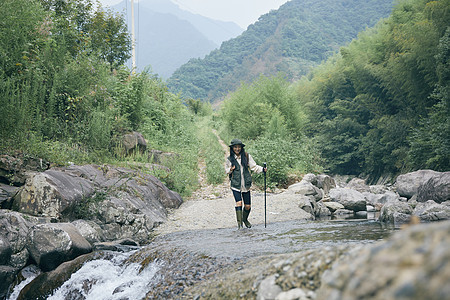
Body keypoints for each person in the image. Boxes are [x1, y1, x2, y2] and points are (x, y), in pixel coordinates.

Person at [225, 139, 266, 229]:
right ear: (232, 148)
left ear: (241, 148)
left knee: (247, 206)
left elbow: (254, 167)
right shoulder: (230, 159)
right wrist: (230, 169)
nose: (237, 149)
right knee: (239, 203)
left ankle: (245, 219)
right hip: (235, 185)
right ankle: (240, 225)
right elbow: (226, 170)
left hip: (246, 185)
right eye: (235, 147)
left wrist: (262, 169)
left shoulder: (247, 156)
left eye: (239, 147)